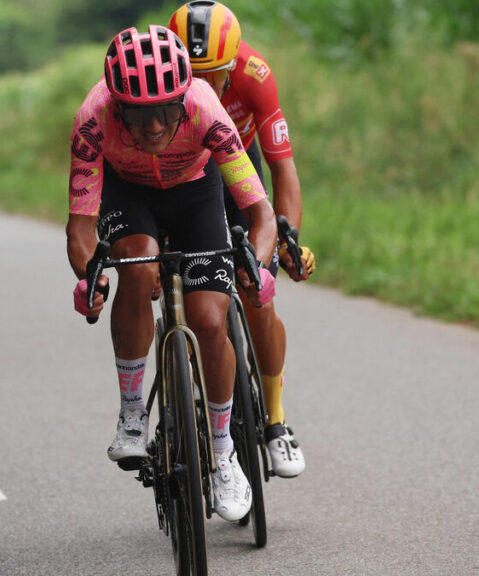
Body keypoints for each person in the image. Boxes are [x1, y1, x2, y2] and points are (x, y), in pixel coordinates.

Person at [66, 25, 277, 522]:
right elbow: (81, 227)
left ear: (184, 98)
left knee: (209, 319)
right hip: (129, 192)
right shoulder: (91, 121)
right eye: (139, 114)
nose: (156, 126)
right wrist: (91, 274)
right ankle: (132, 412)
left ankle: (224, 452)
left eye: (166, 110)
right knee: (136, 268)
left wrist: (257, 262)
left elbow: (261, 215)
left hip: (196, 191)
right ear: (116, 106)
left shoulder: (206, 108)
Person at [170, 1, 317, 478]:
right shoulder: (161, 78)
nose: (201, 88)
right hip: (181, 174)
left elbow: (281, 166)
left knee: (258, 295)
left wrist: (288, 238)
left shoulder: (256, 74)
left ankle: (275, 421)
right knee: (186, 286)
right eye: (192, 75)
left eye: (213, 75)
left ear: (233, 64)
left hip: (238, 169)